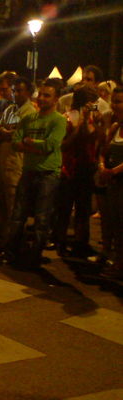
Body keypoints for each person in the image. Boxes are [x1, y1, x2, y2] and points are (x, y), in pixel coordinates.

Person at [2, 79, 67, 269]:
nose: (42, 98)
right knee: (18, 214)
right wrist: (34, 145)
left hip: (48, 174)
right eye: (41, 94)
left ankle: (35, 256)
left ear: (55, 99)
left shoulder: (58, 120)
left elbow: (51, 145)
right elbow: (15, 142)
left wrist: (29, 143)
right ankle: (11, 252)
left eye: (47, 95)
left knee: (42, 218)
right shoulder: (29, 119)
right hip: (29, 171)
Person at [53, 86, 102, 257]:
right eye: (92, 101)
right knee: (65, 207)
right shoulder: (68, 117)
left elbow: (96, 140)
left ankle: (81, 242)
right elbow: (65, 144)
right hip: (70, 168)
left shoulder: (93, 118)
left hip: (86, 168)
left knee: (83, 208)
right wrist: (81, 123)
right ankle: (60, 241)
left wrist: (97, 123)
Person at [0, 76, 37, 246]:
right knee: (1, 207)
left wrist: (9, 133)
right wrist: (9, 133)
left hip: (16, 166)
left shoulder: (31, 112)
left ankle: (14, 243)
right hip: (2, 165)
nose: (16, 94)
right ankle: (4, 240)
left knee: (13, 208)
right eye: (14, 90)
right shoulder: (10, 109)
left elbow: (23, 137)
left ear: (29, 93)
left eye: (19, 90)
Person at [97, 86, 123, 279]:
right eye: (114, 101)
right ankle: (116, 261)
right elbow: (103, 151)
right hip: (113, 184)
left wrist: (113, 171)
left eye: (120, 101)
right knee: (114, 224)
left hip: (119, 180)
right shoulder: (114, 127)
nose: (115, 105)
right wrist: (102, 166)